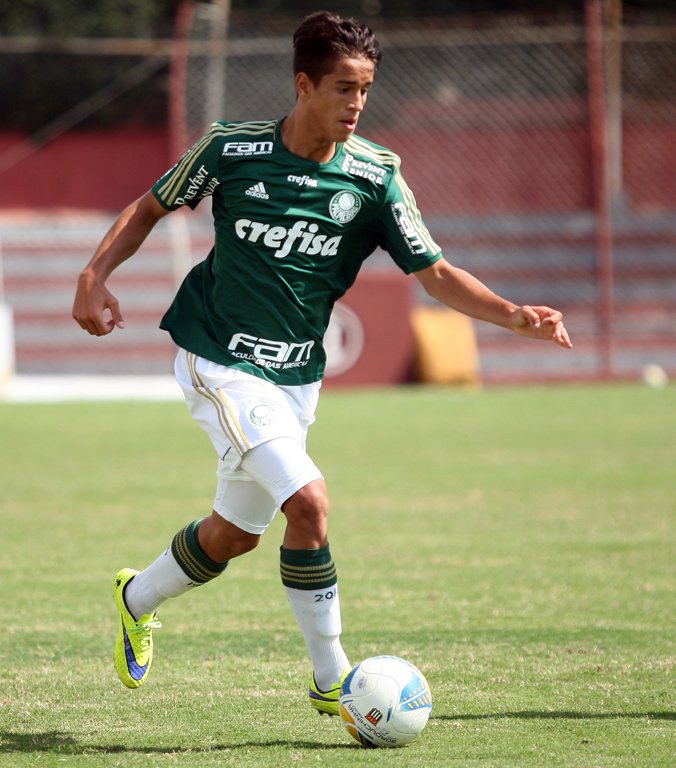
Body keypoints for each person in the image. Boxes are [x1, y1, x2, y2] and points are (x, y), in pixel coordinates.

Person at [72, 10, 572, 716]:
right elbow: (151, 206)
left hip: (297, 378)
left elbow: (433, 272)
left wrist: (513, 314)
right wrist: (94, 274)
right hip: (218, 359)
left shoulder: (376, 176)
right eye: (343, 88)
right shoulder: (231, 149)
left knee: (234, 535)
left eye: (365, 89)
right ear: (304, 85)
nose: (357, 103)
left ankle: (136, 598)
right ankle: (334, 678)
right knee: (309, 502)